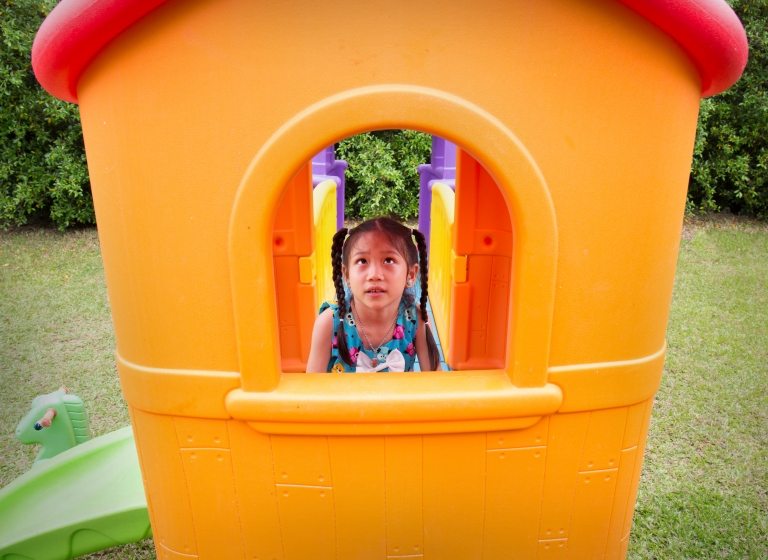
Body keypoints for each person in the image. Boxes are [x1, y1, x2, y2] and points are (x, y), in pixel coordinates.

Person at [306, 217, 441, 372]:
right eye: (362, 261)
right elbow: (312, 390)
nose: (374, 275)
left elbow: (437, 384)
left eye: (388, 260)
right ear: (347, 275)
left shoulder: (415, 319)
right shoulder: (329, 323)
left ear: (411, 274)